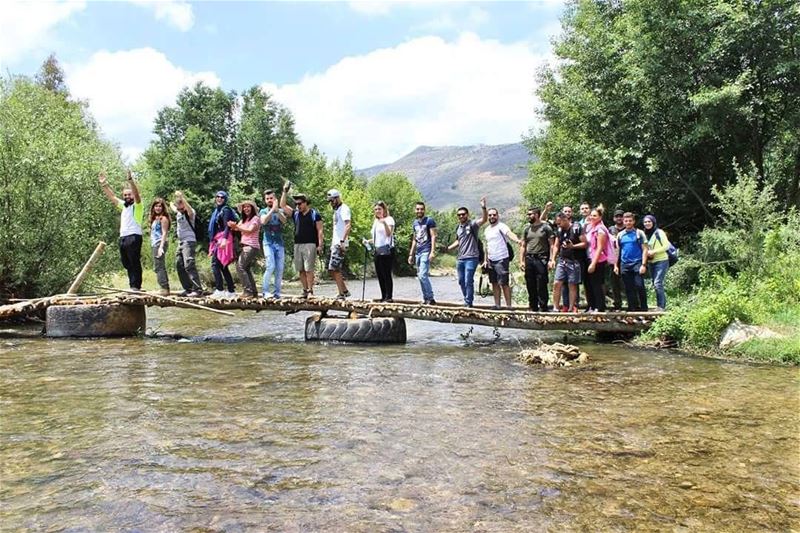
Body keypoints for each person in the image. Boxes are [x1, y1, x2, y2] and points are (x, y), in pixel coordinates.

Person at [99, 170, 143, 291]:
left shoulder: (138, 206)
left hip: (134, 236)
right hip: (123, 237)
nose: (127, 196)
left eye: (129, 195)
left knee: (134, 261)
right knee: (126, 262)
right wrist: (104, 184)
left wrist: (131, 181)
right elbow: (112, 197)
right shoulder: (123, 206)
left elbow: (137, 195)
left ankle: (136, 286)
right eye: (125, 195)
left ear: (133, 196)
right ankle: (132, 285)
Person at [280, 182, 323, 298]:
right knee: (301, 269)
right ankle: (304, 290)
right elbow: (282, 205)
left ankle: (310, 291)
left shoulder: (315, 214)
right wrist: (284, 191)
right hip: (297, 244)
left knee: (309, 269)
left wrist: (320, 245)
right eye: (296, 204)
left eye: (299, 203)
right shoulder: (295, 214)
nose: (297, 205)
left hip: (310, 244)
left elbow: (320, 230)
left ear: (305, 203)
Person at [446, 197, 488, 307]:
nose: (461, 216)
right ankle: (466, 299)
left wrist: (483, 207)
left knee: (468, 280)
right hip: (460, 258)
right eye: (459, 215)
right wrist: (449, 248)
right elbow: (459, 241)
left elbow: (484, 220)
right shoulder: (458, 228)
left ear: (467, 215)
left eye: (463, 214)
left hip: (472, 257)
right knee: (461, 281)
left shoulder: (472, 224)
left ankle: (468, 303)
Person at [483, 208, 523, 310]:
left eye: (494, 215)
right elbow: (486, 246)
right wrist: (485, 260)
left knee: (504, 283)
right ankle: (497, 305)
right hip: (491, 260)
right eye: (490, 215)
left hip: (501, 258)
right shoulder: (487, 230)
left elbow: (509, 234)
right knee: (494, 283)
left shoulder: (501, 226)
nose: (492, 217)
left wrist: (517, 240)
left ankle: (509, 306)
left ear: (497, 216)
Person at [550, 211, 587, 312]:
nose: (558, 225)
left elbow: (585, 243)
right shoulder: (559, 230)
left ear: (565, 220)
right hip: (562, 260)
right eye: (557, 224)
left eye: (559, 223)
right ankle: (555, 307)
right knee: (557, 283)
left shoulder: (576, 228)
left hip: (574, 260)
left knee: (572, 284)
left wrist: (573, 246)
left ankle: (572, 307)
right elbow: (556, 245)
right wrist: (553, 259)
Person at [520, 206, 555, 311]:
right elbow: (523, 245)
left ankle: (543, 307)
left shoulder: (546, 228)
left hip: (541, 258)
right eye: (528, 214)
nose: (528, 216)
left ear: (536, 215)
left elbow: (552, 245)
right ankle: (533, 306)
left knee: (542, 283)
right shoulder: (527, 228)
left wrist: (551, 259)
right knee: (530, 284)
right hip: (529, 258)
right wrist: (521, 261)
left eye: (530, 214)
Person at [170, 191, 203, 297]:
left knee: (189, 264)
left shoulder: (190, 212)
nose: (179, 208)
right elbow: (173, 207)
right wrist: (172, 202)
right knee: (179, 264)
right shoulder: (178, 213)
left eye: (181, 205)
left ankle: (197, 289)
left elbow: (188, 208)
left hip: (189, 241)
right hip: (181, 242)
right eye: (178, 206)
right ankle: (188, 288)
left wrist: (181, 197)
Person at [614, 212, 649, 311]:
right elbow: (617, 251)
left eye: (630, 221)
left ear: (633, 221)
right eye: (626, 221)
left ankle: (643, 308)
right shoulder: (620, 235)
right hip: (624, 264)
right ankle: (632, 308)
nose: (628, 222)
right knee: (628, 288)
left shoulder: (639, 233)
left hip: (637, 263)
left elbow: (645, 249)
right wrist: (616, 265)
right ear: (623, 222)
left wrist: (643, 264)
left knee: (639, 286)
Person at [228, 200, 262, 298]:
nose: (246, 209)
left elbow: (249, 230)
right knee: (246, 268)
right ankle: (253, 292)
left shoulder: (255, 218)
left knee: (240, 267)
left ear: (252, 208)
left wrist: (237, 227)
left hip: (251, 246)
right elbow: (237, 228)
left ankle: (248, 291)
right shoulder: (244, 220)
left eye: (248, 207)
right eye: (244, 207)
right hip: (246, 246)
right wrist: (232, 226)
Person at [208, 190, 238, 298]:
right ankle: (231, 291)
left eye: (222, 197)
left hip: (223, 238)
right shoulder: (217, 211)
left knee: (215, 264)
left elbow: (227, 226)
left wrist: (224, 239)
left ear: (225, 199)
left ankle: (220, 289)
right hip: (219, 238)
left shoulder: (225, 210)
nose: (219, 198)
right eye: (217, 196)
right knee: (222, 266)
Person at [408, 202, 437, 305]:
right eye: (417, 209)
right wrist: (411, 254)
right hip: (418, 252)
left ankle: (431, 298)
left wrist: (432, 251)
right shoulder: (415, 223)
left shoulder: (429, 221)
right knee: (420, 276)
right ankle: (426, 298)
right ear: (415, 210)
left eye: (421, 209)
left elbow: (433, 236)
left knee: (423, 275)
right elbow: (414, 239)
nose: (419, 211)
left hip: (426, 250)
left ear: (424, 210)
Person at [365, 201, 396, 302]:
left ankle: (389, 297)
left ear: (384, 209)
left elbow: (389, 234)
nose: (377, 211)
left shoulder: (389, 219)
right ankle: (383, 296)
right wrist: (368, 241)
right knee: (380, 274)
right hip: (377, 249)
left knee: (386, 274)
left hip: (387, 250)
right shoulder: (375, 222)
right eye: (376, 209)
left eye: (379, 209)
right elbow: (376, 238)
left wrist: (384, 223)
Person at [259, 189, 286, 299]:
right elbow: (263, 221)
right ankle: (265, 292)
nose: (269, 200)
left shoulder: (280, 211)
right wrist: (272, 211)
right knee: (270, 266)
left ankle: (277, 293)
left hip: (279, 243)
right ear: (265, 200)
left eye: (271, 198)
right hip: (268, 243)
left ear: (275, 199)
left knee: (279, 268)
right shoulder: (263, 211)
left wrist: (277, 211)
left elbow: (284, 221)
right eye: (267, 199)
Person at [585, 204, 612, 312]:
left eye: (595, 216)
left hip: (598, 260)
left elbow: (600, 247)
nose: (592, 217)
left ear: (600, 217)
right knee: (591, 284)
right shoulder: (592, 227)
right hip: (590, 258)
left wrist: (593, 263)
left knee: (597, 284)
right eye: (591, 215)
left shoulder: (600, 229)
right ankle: (593, 305)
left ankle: (599, 307)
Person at [326, 189, 352, 300]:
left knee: (334, 268)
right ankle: (344, 291)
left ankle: (343, 293)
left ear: (337, 198)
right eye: (329, 201)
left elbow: (348, 225)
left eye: (332, 201)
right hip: (335, 243)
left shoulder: (344, 209)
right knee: (333, 269)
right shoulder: (336, 210)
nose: (331, 203)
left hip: (340, 243)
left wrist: (342, 241)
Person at [643, 214, 671, 310]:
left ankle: (661, 307)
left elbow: (666, 246)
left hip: (662, 260)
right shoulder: (645, 234)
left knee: (657, 283)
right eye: (645, 222)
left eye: (649, 221)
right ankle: (659, 305)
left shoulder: (659, 232)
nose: (647, 223)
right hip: (651, 262)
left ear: (653, 222)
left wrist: (654, 251)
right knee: (655, 284)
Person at [148, 198, 171, 296]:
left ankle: (164, 288)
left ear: (163, 208)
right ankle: (163, 287)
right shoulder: (155, 218)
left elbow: (164, 233)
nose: (158, 208)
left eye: (160, 206)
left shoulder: (163, 218)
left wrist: (161, 247)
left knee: (159, 266)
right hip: (155, 244)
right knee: (157, 266)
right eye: (156, 206)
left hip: (159, 243)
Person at [606, 209, 626, 310]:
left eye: (621, 216)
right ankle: (617, 304)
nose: (619, 218)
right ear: (614, 218)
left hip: (626, 259)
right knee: (614, 283)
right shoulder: (611, 229)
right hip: (613, 259)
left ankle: (634, 303)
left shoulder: (628, 228)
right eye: (617, 216)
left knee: (628, 282)